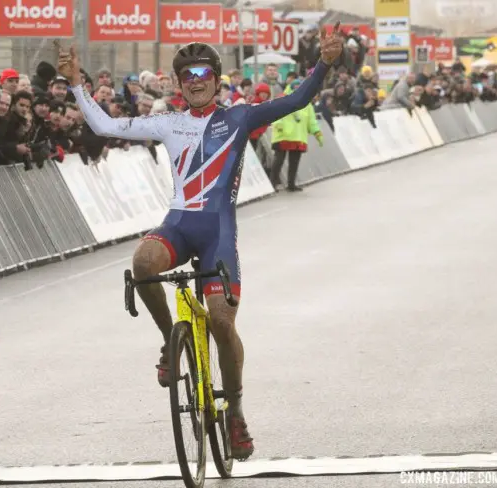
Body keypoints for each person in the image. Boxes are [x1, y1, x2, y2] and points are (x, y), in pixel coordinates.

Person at [56, 23, 344, 461]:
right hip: (179, 225)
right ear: (177, 83)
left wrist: (324, 62)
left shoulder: (240, 116)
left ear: (215, 79)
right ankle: (169, 345)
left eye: (202, 74)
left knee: (223, 324)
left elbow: (297, 100)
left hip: (218, 234)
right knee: (143, 262)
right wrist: (76, 85)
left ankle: (236, 414)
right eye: (186, 76)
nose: (195, 82)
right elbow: (103, 123)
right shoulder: (168, 122)